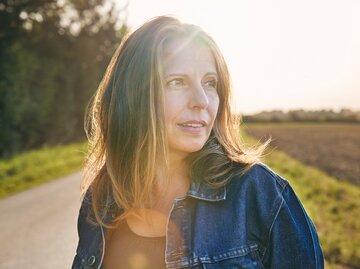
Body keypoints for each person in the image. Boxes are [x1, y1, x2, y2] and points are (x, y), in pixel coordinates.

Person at [72, 16, 324, 269]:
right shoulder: (101, 198)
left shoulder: (260, 194)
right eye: (177, 82)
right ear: (132, 94)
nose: (201, 100)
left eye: (209, 83)